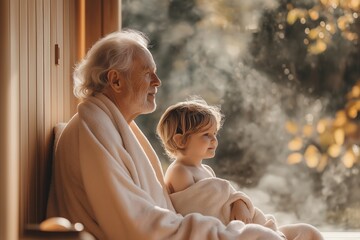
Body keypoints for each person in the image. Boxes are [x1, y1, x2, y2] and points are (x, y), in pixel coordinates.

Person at [46, 29, 315, 240]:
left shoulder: (113, 126)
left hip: (174, 227)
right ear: (115, 80)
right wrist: (227, 234)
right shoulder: (93, 128)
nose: (157, 82)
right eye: (147, 73)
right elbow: (138, 227)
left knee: (305, 234)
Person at [156, 97, 324, 240]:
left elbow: (223, 199)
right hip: (229, 233)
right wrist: (235, 210)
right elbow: (200, 215)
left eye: (215, 134)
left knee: (308, 232)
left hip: (246, 225)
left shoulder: (206, 170)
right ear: (180, 140)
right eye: (206, 135)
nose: (214, 140)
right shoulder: (179, 171)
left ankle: (274, 234)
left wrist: (238, 202)